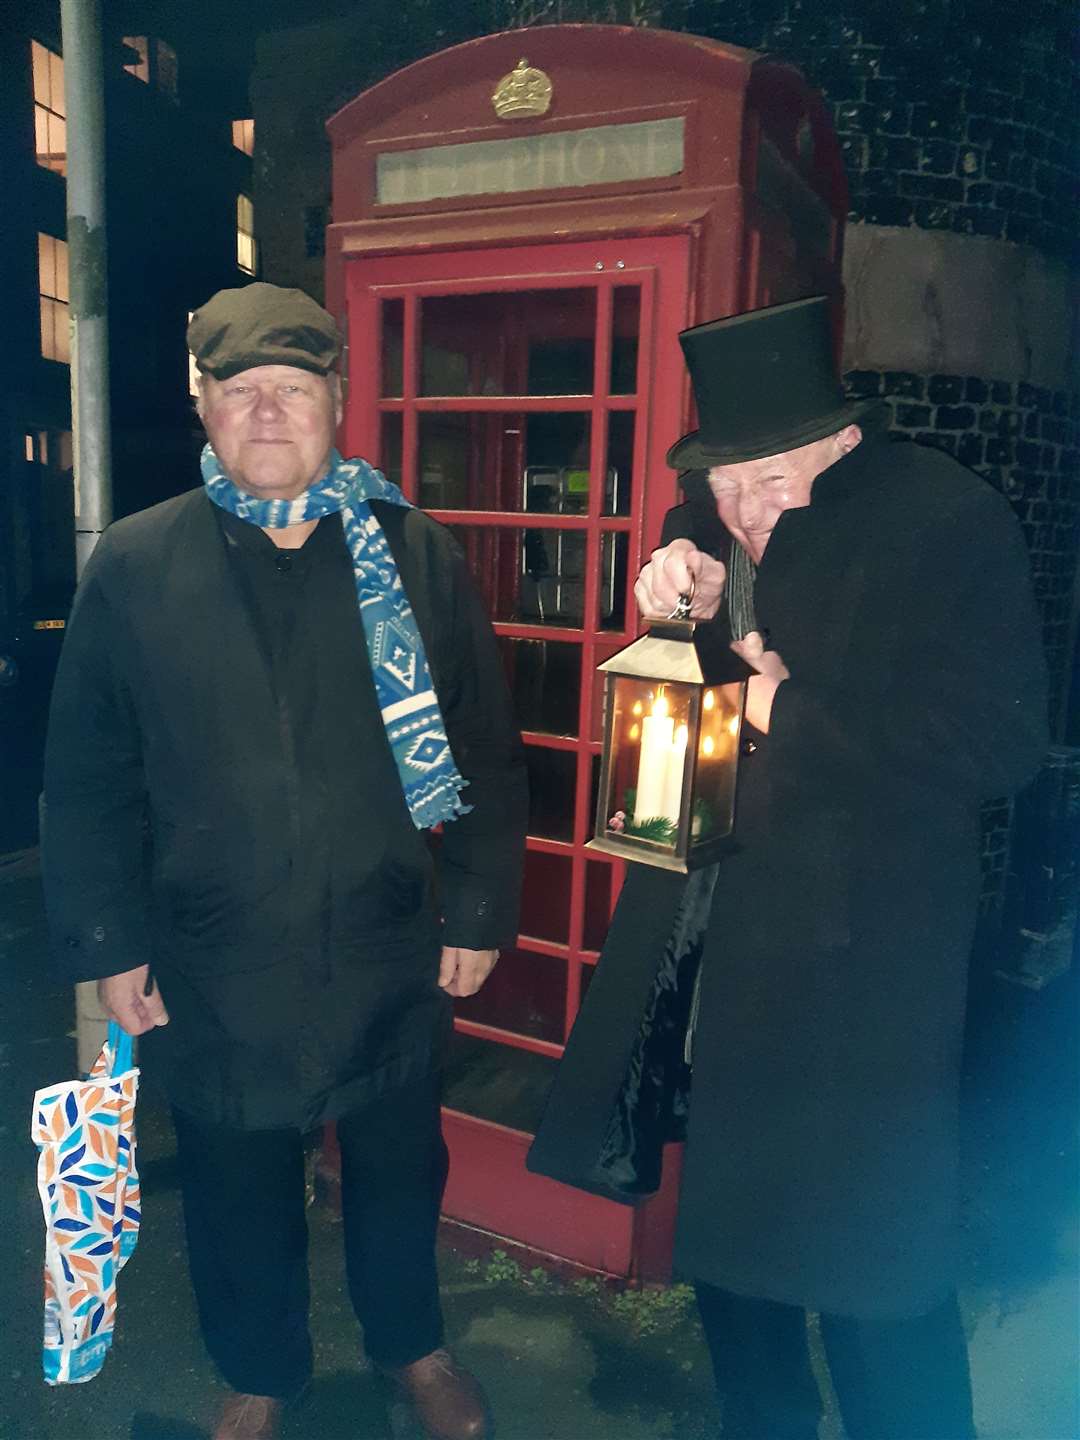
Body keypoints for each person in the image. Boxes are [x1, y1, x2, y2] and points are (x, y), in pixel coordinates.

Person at [528, 296, 1048, 1439]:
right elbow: (692, 625)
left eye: (762, 484)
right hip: (724, 955)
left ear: (841, 442)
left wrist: (786, 710)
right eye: (717, 487)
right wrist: (679, 579)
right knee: (737, 1265)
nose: (740, 513)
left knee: (877, 1284)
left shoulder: (948, 522)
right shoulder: (716, 519)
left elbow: (1001, 742)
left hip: (869, 975)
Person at [43, 283, 527, 1440]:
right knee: (233, 1184)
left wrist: (477, 911)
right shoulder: (135, 563)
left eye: (294, 391)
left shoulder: (416, 556)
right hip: (215, 948)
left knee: (403, 1175)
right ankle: (260, 1367)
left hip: (386, 938)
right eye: (241, 391)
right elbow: (90, 776)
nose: (268, 414)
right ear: (203, 405)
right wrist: (109, 945)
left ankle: (412, 1346)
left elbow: (490, 751)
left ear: (340, 405)